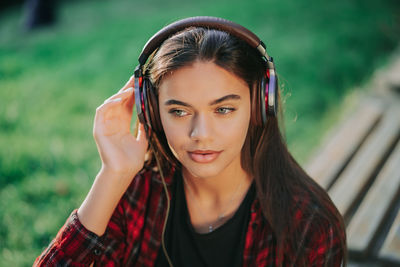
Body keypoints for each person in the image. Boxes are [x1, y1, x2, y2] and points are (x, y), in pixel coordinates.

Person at [34, 16, 347, 266]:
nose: (201, 134)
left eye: (223, 109)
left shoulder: (308, 225)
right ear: (152, 113)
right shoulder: (137, 195)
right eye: (180, 111)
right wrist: (113, 176)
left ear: (258, 106)